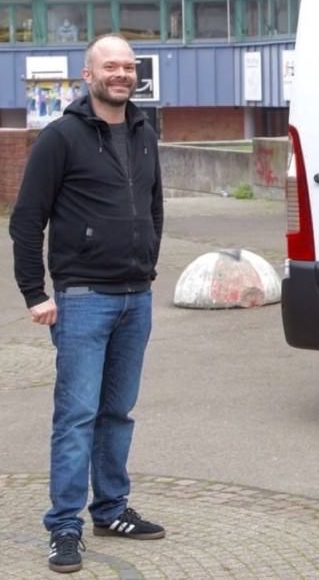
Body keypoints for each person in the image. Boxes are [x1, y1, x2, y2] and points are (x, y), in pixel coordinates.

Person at [9, 33, 166, 574]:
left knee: (117, 413)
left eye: (128, 66)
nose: (121, 74)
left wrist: (147, 264)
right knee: (76, 417)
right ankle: (64, 527)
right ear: (88, 75)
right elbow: (27, 222)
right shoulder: (60, 138)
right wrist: (35, 293)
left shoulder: (146, 131)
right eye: (110, 67)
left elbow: (154, 205)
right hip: (82, 299)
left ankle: (112, 509)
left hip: (135, 298)